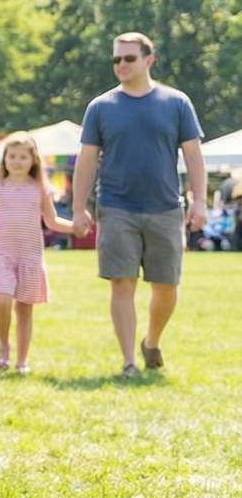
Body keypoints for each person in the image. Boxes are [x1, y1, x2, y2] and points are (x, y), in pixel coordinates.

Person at [70, 32, 207, 376]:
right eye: (116, 59)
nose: (121, 65)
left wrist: (201, 201)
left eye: (128, 58)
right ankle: (129, 361)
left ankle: (152, 341)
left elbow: (193, 154)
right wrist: (77, 207)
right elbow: (86, 160)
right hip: (116, 206)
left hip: (164, 207)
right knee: (122, 281)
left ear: (149, 60)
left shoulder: (176, 102)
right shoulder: (100, 107)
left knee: (166, 286)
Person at [0, 132, 75, 375]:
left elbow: (51, 221)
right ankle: (3, 345)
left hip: (30, 255)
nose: (17, 161)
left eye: (23, 157)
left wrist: (75, 226)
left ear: (33, 160)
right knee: (2, 299)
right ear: (4, 160)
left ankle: (22, 360)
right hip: (2, 253)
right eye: (12, 156)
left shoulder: (41, 189)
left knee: (24, 309)